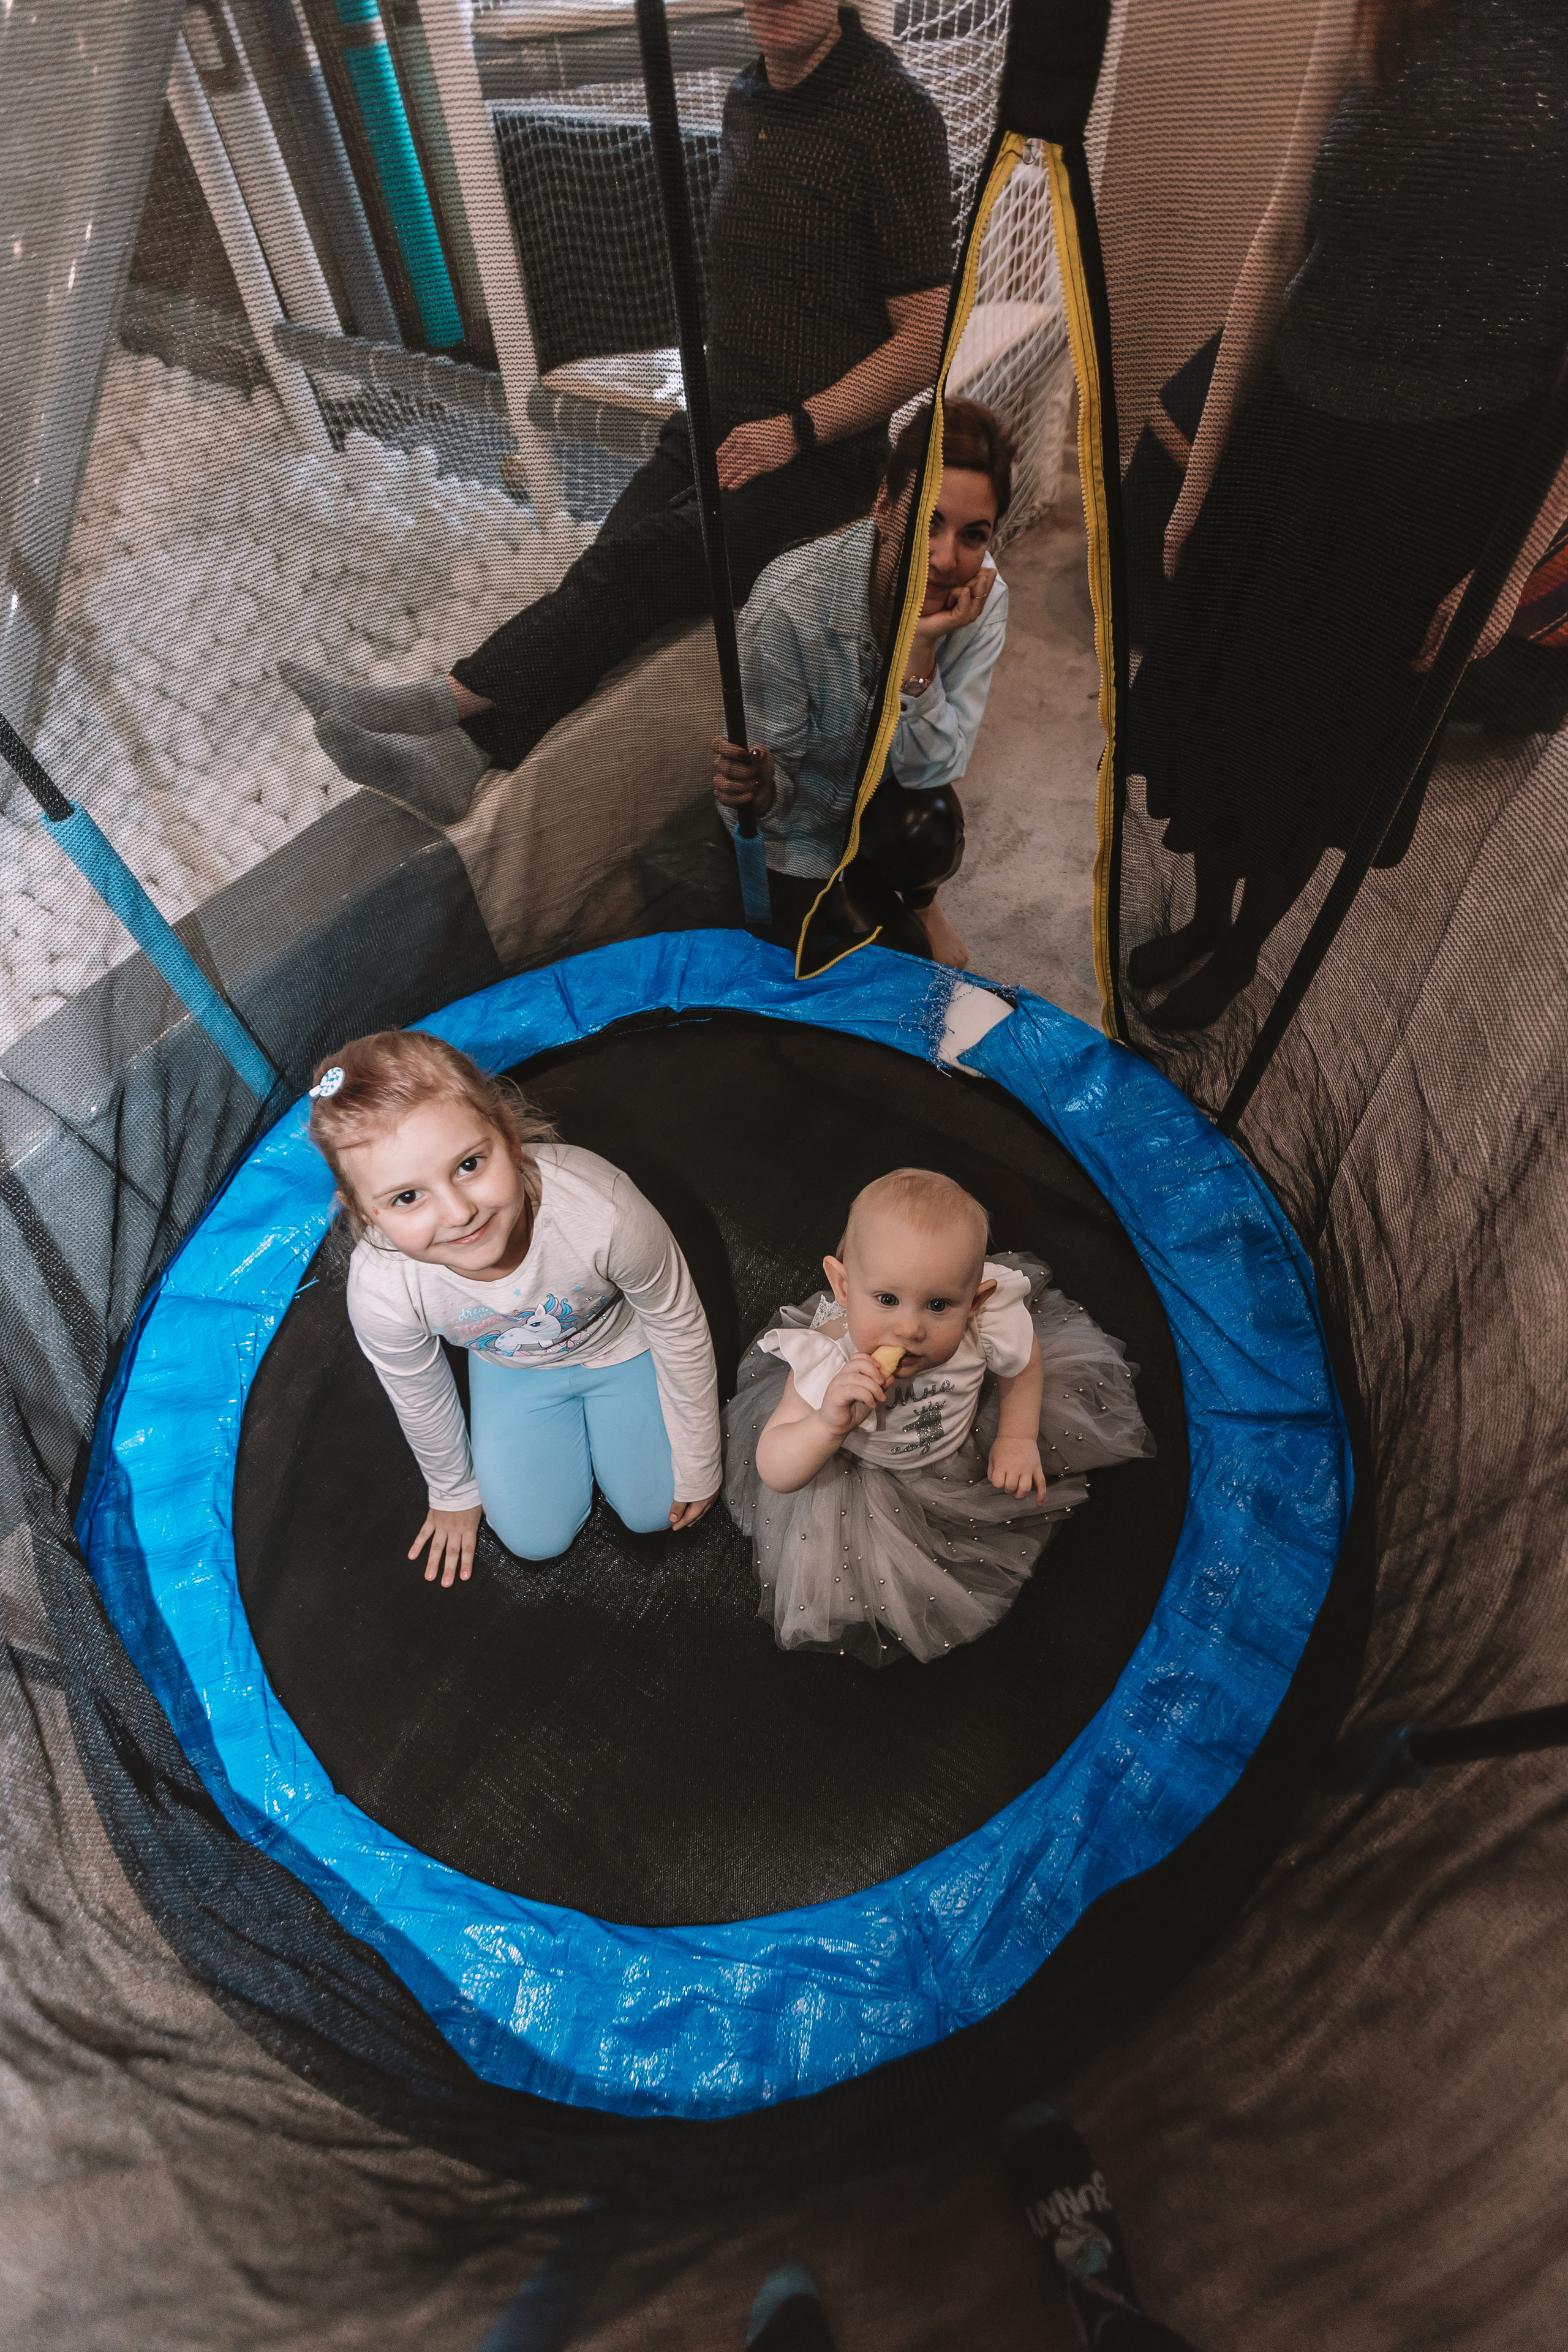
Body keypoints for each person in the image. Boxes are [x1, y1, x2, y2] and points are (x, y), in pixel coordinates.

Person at [280, 0, 954, 823]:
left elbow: (926, 337)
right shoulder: (749, 96)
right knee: (610, 561)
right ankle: (474, 755)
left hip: (821, 457)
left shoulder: (894, 116)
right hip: (718, 416)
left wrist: (799, 428)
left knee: (645, 561)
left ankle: (441, 703)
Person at [1123, 0, 1568, 1031]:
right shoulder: (1375, 6)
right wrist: (1204, 473)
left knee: (1316, 745)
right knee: (1232, 708)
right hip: (1292, 435)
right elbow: (1281, 236)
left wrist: (1508, 569)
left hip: (1441, 483)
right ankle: (1208, 911)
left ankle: (1242, 950)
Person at [305, 1030, 720, 1581]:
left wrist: (701, 1457)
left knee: (656, 1510)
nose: (458, 1213)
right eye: (407, 1197)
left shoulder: (600, 1208)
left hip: (621, 1343)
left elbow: (678, 1323)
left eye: (470, 1165)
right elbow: (418, 1392)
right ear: (363, 1211)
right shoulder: (383, 1287)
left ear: (507, 1136)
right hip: (512, 1368)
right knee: (534, 1539)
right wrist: (454, 1490)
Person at [722, 1168, 1152, 1665]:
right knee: (867, 1570)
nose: (909, 1328)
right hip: (865, 1476)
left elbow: (1025, 1361)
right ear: (842, 1286)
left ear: (976, 1301)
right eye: (886, 1299)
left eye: (939, 1304)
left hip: (955, 1442)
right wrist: (826, 1425)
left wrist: (1016, 1436)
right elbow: (775, 1468)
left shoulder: (987, 1324)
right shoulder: (826, 1363)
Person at [712, 396, 1012, 965]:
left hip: (883, 795)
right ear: (884, 503)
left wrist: (920, 650)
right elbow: (760, 809)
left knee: (932, 831)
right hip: (799, 825)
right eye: (929, 521)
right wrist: (764, 788)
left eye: (974, 535)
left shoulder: (984, 601)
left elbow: (936, 770)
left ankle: (921, 902)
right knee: (892, 975)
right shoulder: (787, 607)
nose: (947, 560)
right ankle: (887, 909)